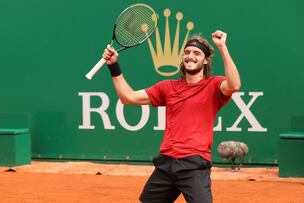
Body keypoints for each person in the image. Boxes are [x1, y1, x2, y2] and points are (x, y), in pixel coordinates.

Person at [102, 30, 241, 203]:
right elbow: (128, 97)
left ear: (205, 60)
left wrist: (222, 47)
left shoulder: (213, 85)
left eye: (197, 53)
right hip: (166, 163)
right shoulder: (167, 87)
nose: (190, 56)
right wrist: (113, 65)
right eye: (187, 52)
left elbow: (234, 84)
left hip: (194, 164)